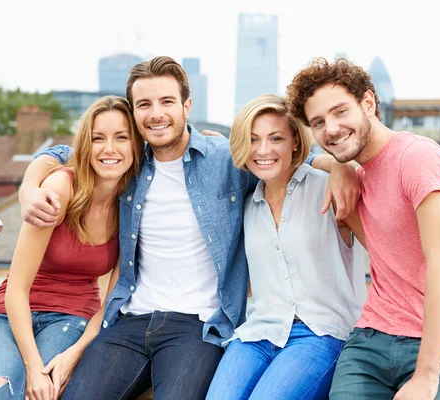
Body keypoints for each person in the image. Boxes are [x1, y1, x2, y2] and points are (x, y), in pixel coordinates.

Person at [18, 56, 362, 399]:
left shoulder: (226, 159)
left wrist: (339, 165)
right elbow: (68, 152)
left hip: (198, 326)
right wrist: (29, 187)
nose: (156, 113)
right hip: (130, 319)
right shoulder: (126, 161)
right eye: (144, 104)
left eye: (167, 101)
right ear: (134, 113)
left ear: (187, 106)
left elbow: (284, 156)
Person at [204, 95, 440, 400]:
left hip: (319, 333)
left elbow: (393, 244)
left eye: (276, 138)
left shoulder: (330, 189)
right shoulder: (246, 204)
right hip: (259, 332)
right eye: (253, 139)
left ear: (296, 142)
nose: (263, 150)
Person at [287, 57, 440, 399]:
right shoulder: (355, 175)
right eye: (318, 122)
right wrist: (336, 165)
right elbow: (291, 157)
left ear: (368, 103)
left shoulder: (417, 159)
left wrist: (425, 376)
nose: (330, 129)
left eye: (340, 112)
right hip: (370, 341)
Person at [0, 95, 144, 400]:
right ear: (85, 146)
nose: (109, 149)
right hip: (8, 316)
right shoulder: (60, 188)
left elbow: (111, 302)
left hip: (72, 318)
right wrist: (33, 366)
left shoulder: (132, 207)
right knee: (0, 391)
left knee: (44, 394)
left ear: (136, 146)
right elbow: (17, 289)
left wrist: (76, 353)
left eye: (121, 137)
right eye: (98, 138)